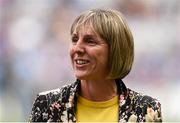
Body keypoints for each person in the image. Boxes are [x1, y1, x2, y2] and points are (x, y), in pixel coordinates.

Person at [29, 9, 162, 122]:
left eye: (90, 41)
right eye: (75, 40)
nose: (77, 48)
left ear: (116, 50)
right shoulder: (46, 104)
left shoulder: (146, 109)